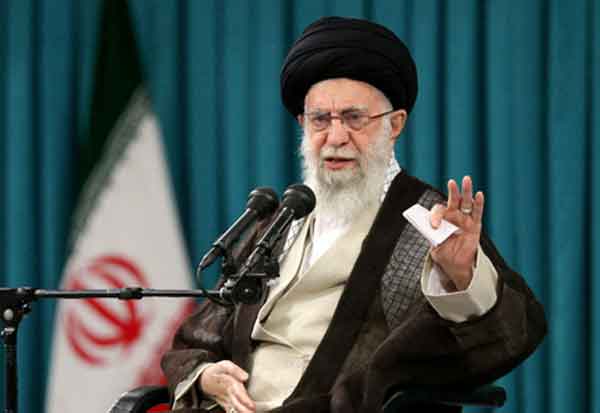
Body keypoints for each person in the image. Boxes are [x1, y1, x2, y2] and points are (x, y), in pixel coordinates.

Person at [161, 16, 546, 413]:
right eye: (320, 120)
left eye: (354, 118)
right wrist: (204, 375)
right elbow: (197, 337)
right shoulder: (280, 221)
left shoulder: (428, 222)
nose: (336, 137)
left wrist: (462, 277)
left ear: (395, 124)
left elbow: (512, 336)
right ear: (302, 124)